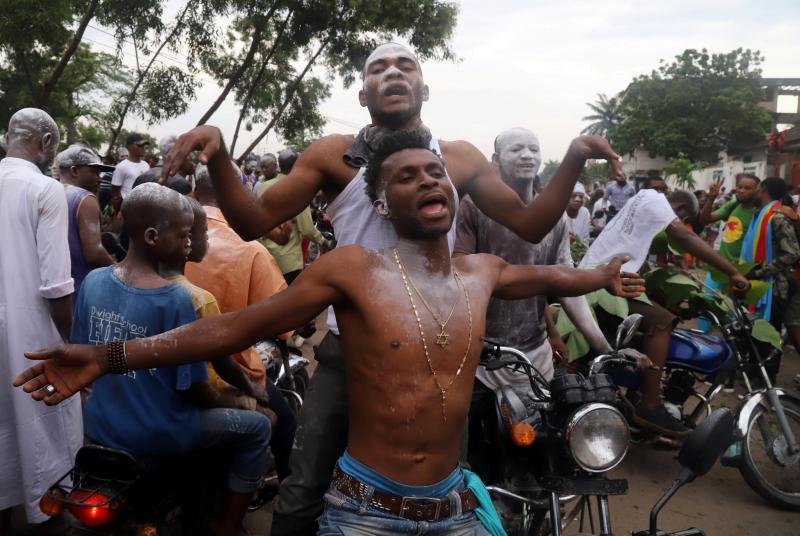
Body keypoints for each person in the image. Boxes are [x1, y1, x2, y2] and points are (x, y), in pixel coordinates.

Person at [16, 132, 644, 535]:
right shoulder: (353, 271)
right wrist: (110, 354)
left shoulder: (482, 272)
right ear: (380, 205)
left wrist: (604, 276)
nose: (428, 179)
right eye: (407, 176)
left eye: (435, 173)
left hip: (454, 512)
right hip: (366, 513)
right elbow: (236, 326)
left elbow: (555, 271)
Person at [160, 42, 623, 535]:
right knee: (302, 491)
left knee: (445, 485)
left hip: (439, 352)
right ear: (362, 95)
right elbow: (253, 222)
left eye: (406, 66)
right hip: (349, 350)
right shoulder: (332, 155)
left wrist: (573, 158)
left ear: (424, 88)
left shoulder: (458, 159)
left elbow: (530, 225)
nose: (393, 73)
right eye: (378, 68)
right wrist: (220, 154)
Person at [76, 184, 272, 536]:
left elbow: (82, 358)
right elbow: (195, 393)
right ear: (152, 236)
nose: (188, 242)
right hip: (159, 429)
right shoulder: (176, 299)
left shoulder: (92, 281)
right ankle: (226, 526)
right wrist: (239, 401)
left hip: (100, 424)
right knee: (259, 428)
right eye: (184, 234)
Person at [454, 127, 633, 481]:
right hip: (477, 358)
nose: (526, 155)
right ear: (494, 161)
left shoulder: (555, 220)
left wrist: (602, 345)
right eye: (515, 149)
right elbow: (460, 281)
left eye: (533, 149)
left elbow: (565, 282)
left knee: (541, 456)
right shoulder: (471, 208)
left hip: (533, 359)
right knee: (470, 461)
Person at [580, 187, 751, 437]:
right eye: (682, 218)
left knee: (663, 309)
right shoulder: (653, 198)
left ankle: (640, 389)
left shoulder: (642, 200)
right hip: (600, 285)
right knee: (662, 321)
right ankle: (650, 404)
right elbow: (683, 236)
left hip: (602, 279)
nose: (679, 222)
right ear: (680, 209)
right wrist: (732, 272)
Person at [185, 163, 297, 480]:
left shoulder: (167, 239)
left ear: (194, 190)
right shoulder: (250, 250)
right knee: (285, 423)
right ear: (240, 193)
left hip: (160, 371)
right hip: (226, 375)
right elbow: (283, 326)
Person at [0, 108, 81, 533]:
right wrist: (73, 345)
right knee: (42, 437)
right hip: (31, 335)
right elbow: (56, 285)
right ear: (47, 144)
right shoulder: (45, 189)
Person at [741, 177, 800, 382]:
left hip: (775, 288)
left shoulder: (776, 217)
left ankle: (767, 383)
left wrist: (758, 272)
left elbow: (791, 253)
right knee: (755, 334)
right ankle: (755, 377)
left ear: (763, 189)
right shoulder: (761, 215)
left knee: (769, 336)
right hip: (759, 286)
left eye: (756, 188)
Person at [696, 173, 760, 331]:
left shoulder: (759, 212)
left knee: (733, 311)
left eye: (747, 188)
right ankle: (703, 339)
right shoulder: (733, 205)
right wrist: (711, 198)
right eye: (740, 187)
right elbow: (704, 221)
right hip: (720, 264)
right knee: (706, 302)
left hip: (740, 269)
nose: (742, 191)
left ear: (757, 190)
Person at [56, 145, 116, 295]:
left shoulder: (48, 192)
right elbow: (94, 254)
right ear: (74, 171)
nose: (99, 178)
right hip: (78, 287)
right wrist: (121, 271)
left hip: (51, 285)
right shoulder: (85, 198)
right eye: (94, 172)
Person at [110, 133, 150, 204]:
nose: (143, 148)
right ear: (129, 147)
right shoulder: (121, 166)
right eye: (139, 145)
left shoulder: (146, 165)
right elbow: (115, 191)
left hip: (144, 205)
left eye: (144, 145)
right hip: (126, 206)